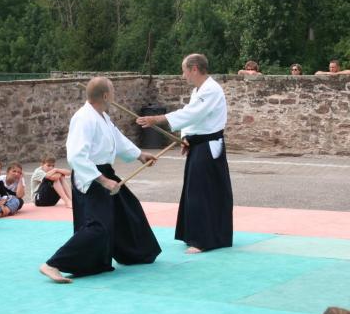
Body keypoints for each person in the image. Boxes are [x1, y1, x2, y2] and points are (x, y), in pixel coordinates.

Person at [40, 77, 161, 283]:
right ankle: (53, 264)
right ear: (105, 95)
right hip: (91, 176)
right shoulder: (84, 118)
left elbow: (117, 138)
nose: (115, 95)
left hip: (105, 172)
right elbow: (76, 156)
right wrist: (103, 181)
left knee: (129, 208)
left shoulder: (102, 116)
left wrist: (139, 155)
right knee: (99, 226)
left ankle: (135, 254)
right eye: (113, 91)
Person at [137, 53, 233, 254]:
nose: (183, 75)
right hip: (199, 144)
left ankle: (203, 239)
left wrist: (157, 119)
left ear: (194, 69)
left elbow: (192, 114)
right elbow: (194, 118)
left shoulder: (211, 90)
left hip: (209, 147)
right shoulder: (199, 90)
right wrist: (187, 138)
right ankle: (193, 234)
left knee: (202, 193)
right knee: (193, 191)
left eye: (184, 70)